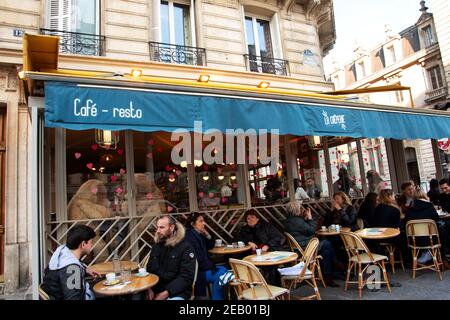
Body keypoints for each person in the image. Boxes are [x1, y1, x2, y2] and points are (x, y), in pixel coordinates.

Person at [283, 201, 340, 287]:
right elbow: (312, 230)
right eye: (300, 208)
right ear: (297, 210)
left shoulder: (289, 221)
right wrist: (310, 218)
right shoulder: (297, 222)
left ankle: (329, 276)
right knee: (327, 243)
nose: (302, 210)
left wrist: (304, 220)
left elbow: (303, 230)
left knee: (326, 252)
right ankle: (336, 265)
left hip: (299, 248)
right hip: (305, 249)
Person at [41, 225, 99, 300]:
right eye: (91, 242)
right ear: (83, 244)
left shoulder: (63, 253)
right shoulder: (72, 269)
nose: (92, 245)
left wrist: (85, 270)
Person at [146, 215, 196, 300]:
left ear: (172, 227)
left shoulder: (185, 247)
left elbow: (186, 277)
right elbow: (149, 269)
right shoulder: (157, 246)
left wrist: (166, 293)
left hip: (177, 292)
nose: (158, 231)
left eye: (161, 227)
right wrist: (148, 288)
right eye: (157, 227)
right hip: (155, 289)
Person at [184, 213, 228, 300]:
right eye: (200, 221)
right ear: (192, 224)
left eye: (203, 221)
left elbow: (210, 245)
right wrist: (212, 267)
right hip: (197, 272)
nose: (204, 223)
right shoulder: (190, 237)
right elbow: (199, 258)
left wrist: (207, 234)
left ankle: (216, 297)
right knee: (223, 274)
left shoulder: (197, 234)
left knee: (224, 270)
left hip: (202, 268)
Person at [405, 189, 450, 269]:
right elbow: (436, 219)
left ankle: (427, 253)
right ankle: (442, 258)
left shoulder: (409, 209)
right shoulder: (429, 207)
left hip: (415, 240)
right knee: (443, 230)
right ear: (424, 195)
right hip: (431, 239)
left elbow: (406, 221)